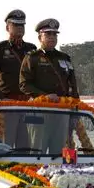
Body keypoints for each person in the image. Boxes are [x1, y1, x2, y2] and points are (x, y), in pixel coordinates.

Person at [19, 18, 79, 153]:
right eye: (48, 34)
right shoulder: (32, 57)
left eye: (54, 34)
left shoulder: (64, 57)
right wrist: (44, 95)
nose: (52, 37)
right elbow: (24, 84)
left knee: (59, 152)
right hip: (40, 110)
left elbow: (73, 85)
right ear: (40, 37)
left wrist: (76, 107)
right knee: (37, 150)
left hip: (62, 110)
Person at [0, 9, 37, 101]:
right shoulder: (0, 48)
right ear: (7, 28)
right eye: (16, 25)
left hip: (29, 100)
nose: (20, 27)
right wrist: (1, 98)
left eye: (22, 25)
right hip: (8, 100)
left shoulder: (31, 48)